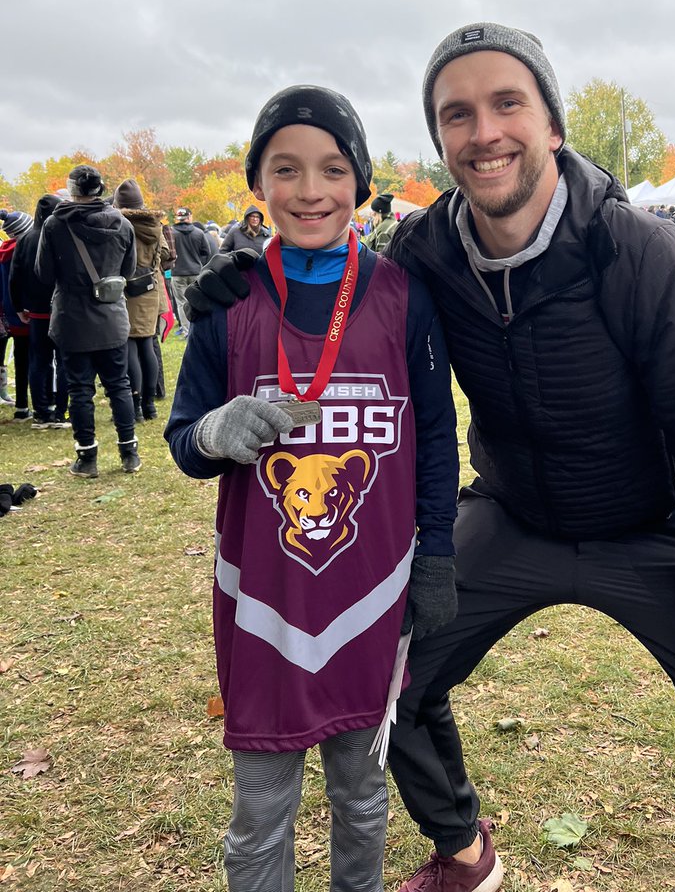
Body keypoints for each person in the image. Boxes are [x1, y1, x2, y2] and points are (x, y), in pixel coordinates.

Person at [190, 23, 675, 892]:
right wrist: (248, 272)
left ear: (553, 124)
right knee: (385, 680)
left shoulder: (642, 254)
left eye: (507, 103)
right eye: (457, 114)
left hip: (659, 527)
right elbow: (336, 279)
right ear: (440, 140)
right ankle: (464, 850)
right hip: (516, 517)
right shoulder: (425, 253)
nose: (484, 132)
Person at [165, 85, 460, 892]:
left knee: (362, 795)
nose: (309, 191)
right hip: (263, 601)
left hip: (373, 593)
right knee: (262, 811)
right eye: (285, 169)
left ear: (359, 183)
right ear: (258, 182)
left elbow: (434, 437)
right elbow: (183, 442)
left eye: (333, 170)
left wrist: (436, 555)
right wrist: (214, 433)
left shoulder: (404, 297)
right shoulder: (229, 300)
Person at [35, 165, 140, 477]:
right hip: (112, 317)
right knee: (119, 385)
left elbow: (44, 274)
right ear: (100, 189)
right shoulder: (122, 223)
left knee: (80, 389)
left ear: (72, 189)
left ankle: (87, 458)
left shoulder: (55, 225)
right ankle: (129, 454)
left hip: (73, 318)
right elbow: (129, 271)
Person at [8, 195, 70, 428]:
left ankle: (41, 412)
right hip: (61, 309)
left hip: (36, 311)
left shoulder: (25, 240)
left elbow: (15, 277)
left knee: (39, 361)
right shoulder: (62, 235)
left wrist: (18, 307)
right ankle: (62, 412)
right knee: (64, 362)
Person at [112, 179, 170, 422]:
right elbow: (167, 254)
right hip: (151, 290)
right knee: (147, 345)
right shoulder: (153, 224)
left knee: (130, 349)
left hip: (127, 291)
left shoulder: (118, 225)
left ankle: (135, 406)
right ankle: (149, 405)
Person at [0, 210, 34, 419]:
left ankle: (21, 406)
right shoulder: (24, 252)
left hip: (8, 314)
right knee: (36, 359)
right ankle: (38, 402)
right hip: (26, 314)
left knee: (20, 361)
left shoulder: (3, 253)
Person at [170, 207, 212, 338]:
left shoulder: (171, 233)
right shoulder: (199, 233)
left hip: (177, 272)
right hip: (195, 271)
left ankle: (186, 330)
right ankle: (200, 328)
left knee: (182, 302)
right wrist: (199, 263)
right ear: (189, 217)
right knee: (197, 300)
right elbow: (206, 252)